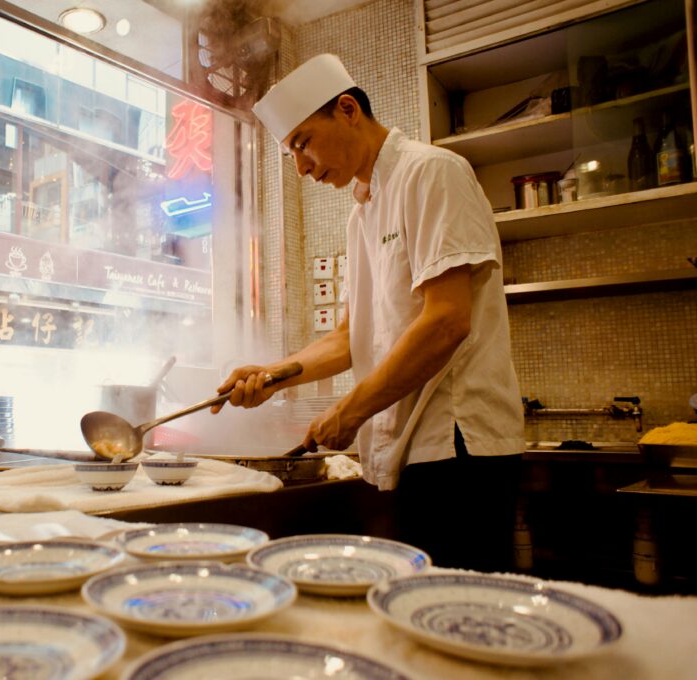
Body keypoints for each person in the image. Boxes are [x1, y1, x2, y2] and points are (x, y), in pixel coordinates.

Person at [213, 54, 525, 572]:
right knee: (419, 612)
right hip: (415, 451)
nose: (302, 167)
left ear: (348, 109)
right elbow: (348, 338)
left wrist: (351, 410)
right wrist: (273, 375)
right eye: (292, 151)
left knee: (461, 619)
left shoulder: (431, 172)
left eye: (303, 143)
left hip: (461, 446)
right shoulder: (363, 213)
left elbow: (447, 319)